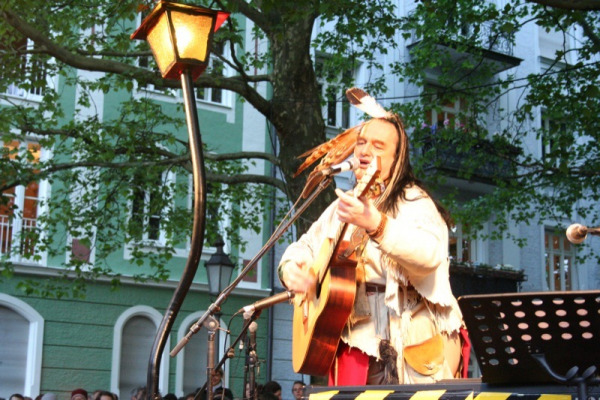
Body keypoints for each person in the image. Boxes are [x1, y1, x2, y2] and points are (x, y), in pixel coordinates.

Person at [278, 103, 466, 385]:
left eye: (378, 146)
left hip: (412, 341)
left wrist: (376, 223)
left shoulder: (415, 202)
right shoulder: (342, 206)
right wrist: (290, 268)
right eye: (361, 143)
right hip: (358, 341)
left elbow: (429, 256)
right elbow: (306, 245)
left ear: (396, 159)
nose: (364, 152)